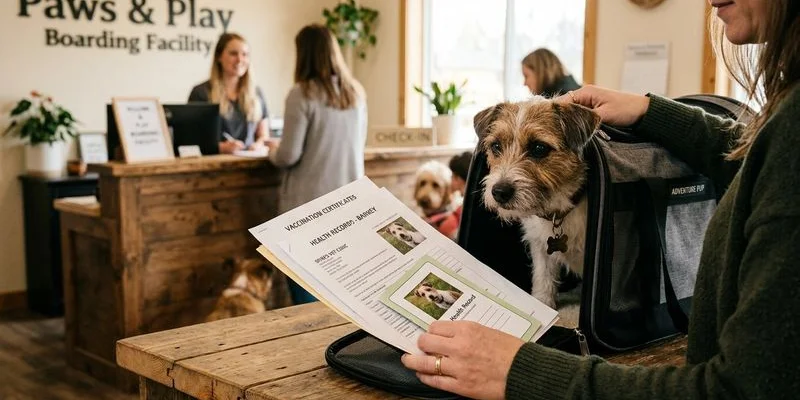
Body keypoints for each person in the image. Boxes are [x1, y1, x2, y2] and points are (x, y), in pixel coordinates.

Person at [402, 1, 800, 399]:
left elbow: (739, 391)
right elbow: (746, 156)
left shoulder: (792, 138)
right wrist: (648, 109)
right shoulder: (784, 122)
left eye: (538, 150)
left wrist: (523, 372)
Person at [265, 24, 368, 305]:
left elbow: (288, 155)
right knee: (336, 285)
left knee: (304, 285)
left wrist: (271, 149)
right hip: (347, 203)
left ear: (304, 54)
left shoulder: (302, 93)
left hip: (306, 208)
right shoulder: (355, 93)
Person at [189, 32, 270, 154]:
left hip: (252, 165)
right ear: (219, 57)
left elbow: (263, 135)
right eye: (233, 54)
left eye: (245, 54)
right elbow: (192, 140)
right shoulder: (201, 93)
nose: (240, 59)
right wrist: (221, 147)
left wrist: (259, 145)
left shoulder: (257, 93)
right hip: (214, 166)